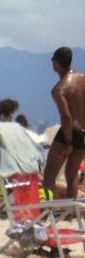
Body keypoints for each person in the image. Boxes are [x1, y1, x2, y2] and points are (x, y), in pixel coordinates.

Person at [42, 46, 85, 200]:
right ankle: (71, 210)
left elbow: (66, 116)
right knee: (72, 176)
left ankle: (47, 209)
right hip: (83, 133)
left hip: (69, 132)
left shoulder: (59, 89)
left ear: (56, 63)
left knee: (49, 176)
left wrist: (67, 142)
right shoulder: (83, 79)